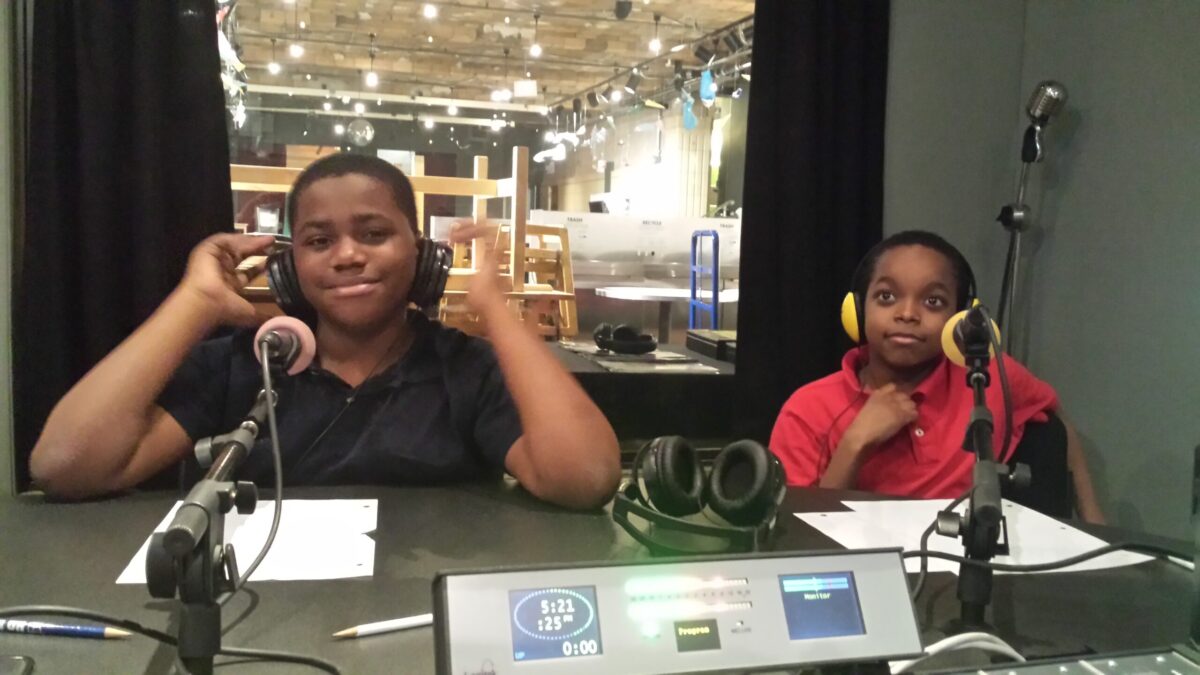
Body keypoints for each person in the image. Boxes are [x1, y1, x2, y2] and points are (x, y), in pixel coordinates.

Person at [30, 153, 622, 509]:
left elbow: (585, 480)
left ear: (422, 255)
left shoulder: (463, 369)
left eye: (373, 234)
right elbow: (65, 466)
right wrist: (195, 301)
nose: (345, 256)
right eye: (318, 241)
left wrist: (494, 309)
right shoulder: (243, 365)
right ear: (289, 266)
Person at [769, 230, 1104, 523]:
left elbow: (1059, 429)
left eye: (933, 301)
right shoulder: (808, 410)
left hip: (962, 570)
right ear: (856, 310)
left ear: (959, 317)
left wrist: (1095, 527)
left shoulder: (986, 377)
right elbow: (800, 537)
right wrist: (856, 443)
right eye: (886, 297)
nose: (907, 314)